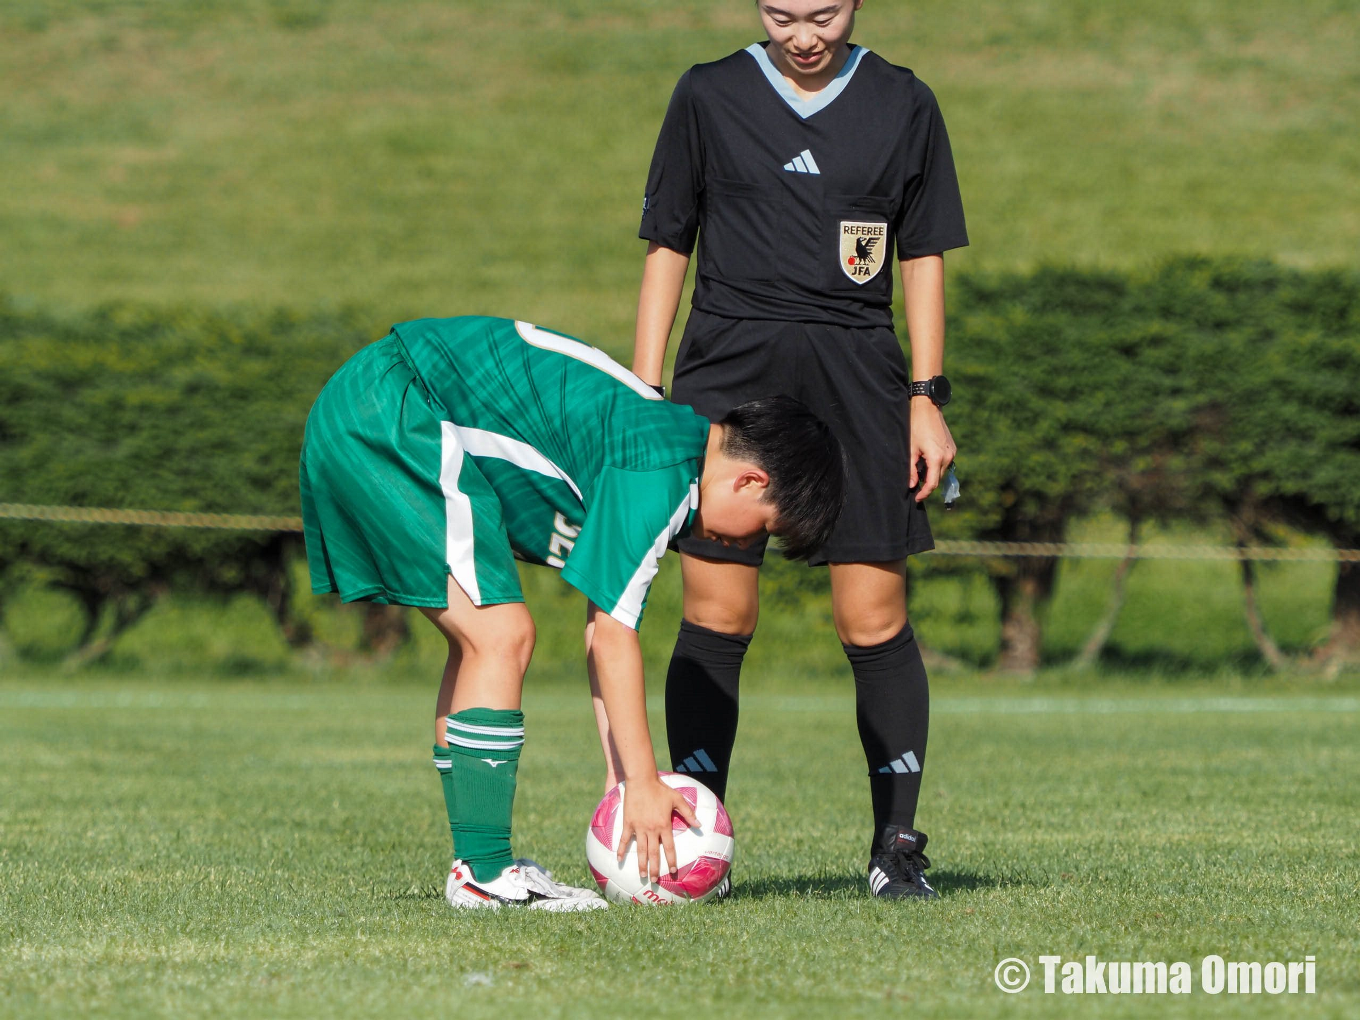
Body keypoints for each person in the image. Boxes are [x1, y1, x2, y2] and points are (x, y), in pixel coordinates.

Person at [299, 315, 844, 910]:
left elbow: (600, 630)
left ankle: (475, 865)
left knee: (479, 640)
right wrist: (642, 783)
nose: (747, 544)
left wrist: (621, 774)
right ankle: (484, 873)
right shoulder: (657, 470)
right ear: (750, 481)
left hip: (378, 400)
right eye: (764, 528)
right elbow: (612, 637)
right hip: (394, 409)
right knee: (501, 636)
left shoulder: (667, 444)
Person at [633, 0, 968, 899]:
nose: (804, 35)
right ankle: (696, 843)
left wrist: (926, 397)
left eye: (823, 14)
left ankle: (895, 849)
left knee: (873, 618)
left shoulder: (904, 101)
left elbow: (923, 253)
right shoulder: (708, 94)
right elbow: (668, 243)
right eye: (782, 15)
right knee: (716, 613)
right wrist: (644, 390)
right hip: (728, 366)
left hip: (858, 373)